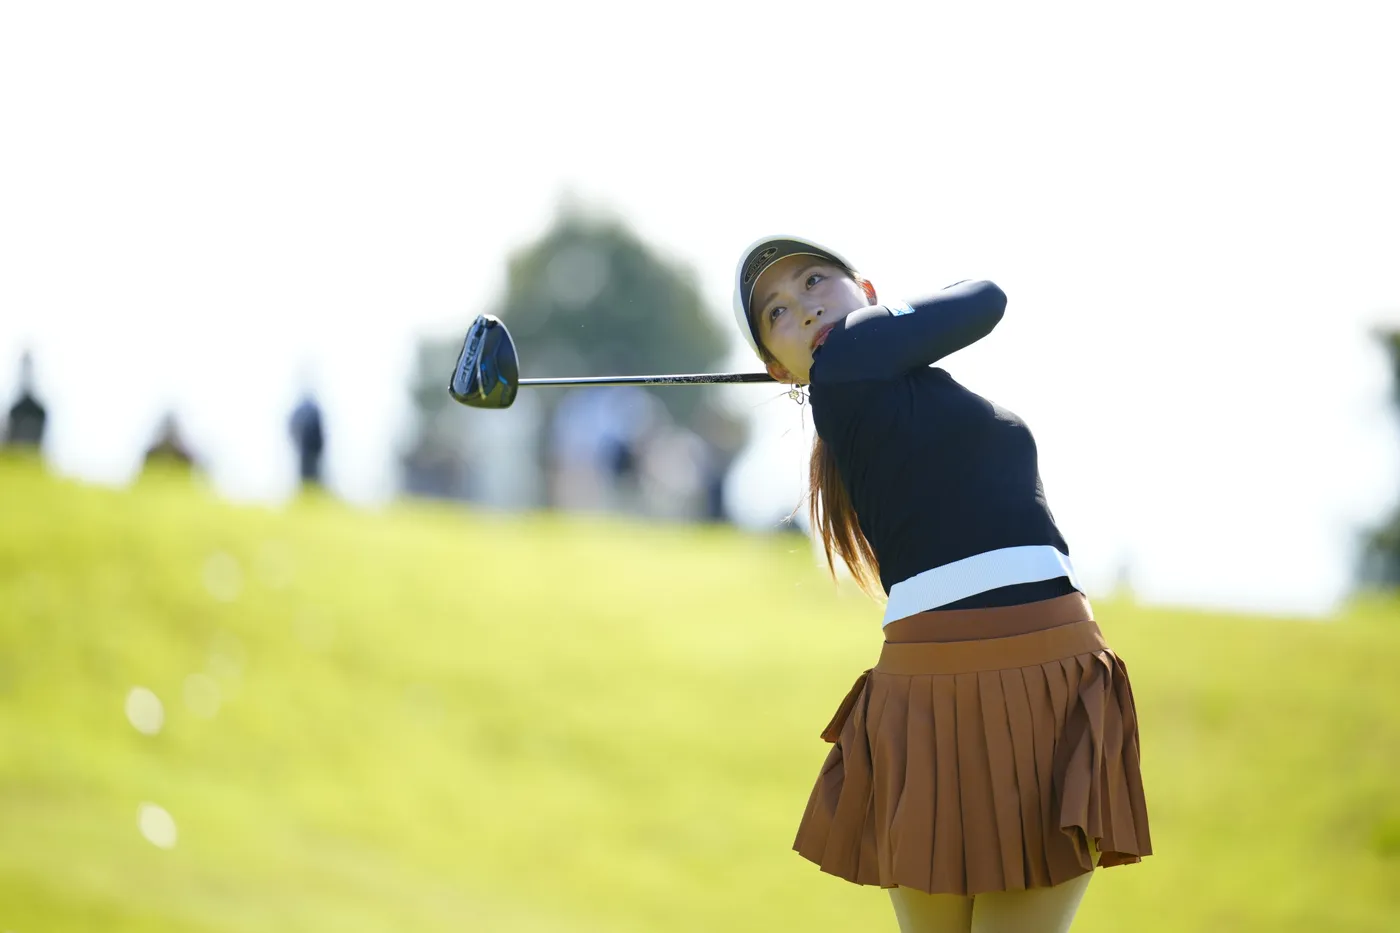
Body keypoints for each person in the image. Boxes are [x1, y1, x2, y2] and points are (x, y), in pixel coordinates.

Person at [732, 236, 1151, 933]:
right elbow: (984, 298)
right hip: (994, 674)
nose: (803, 309)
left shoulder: (875, 384)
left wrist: (882, 330)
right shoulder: (852, 354)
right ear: (779, 367)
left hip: (1003, 679)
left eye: (814, 281)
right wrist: (877, 321)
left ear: (865, 288)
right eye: (776, 311)